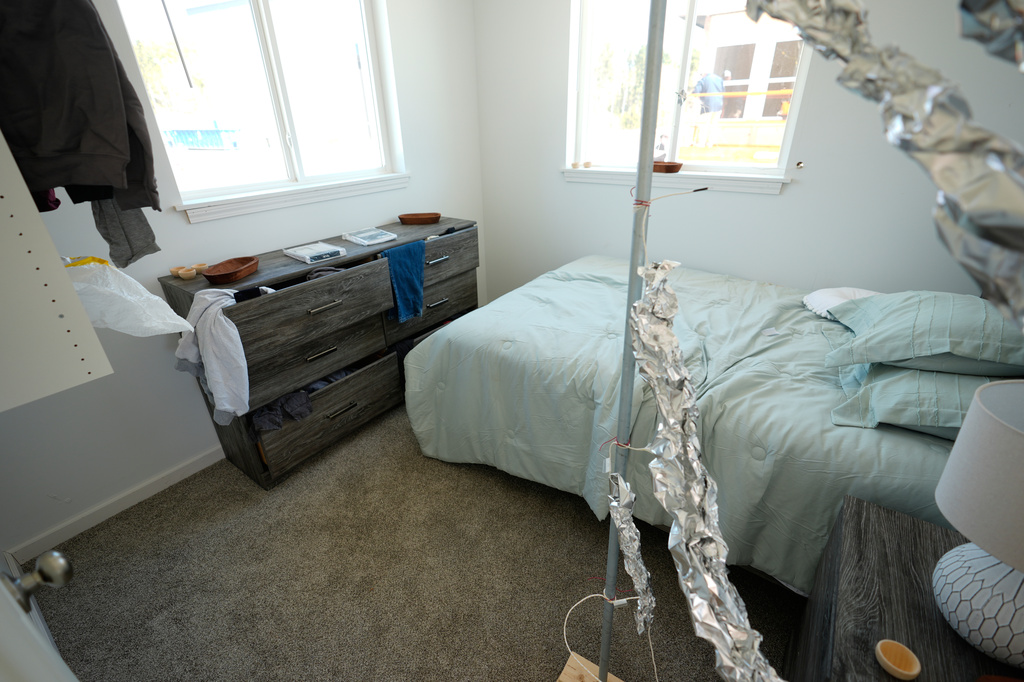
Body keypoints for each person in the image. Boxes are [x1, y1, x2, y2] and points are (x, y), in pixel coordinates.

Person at [693, 71, 724, 146]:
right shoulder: (719, 79)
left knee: (703, 124)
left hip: (707, 104)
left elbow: (696, 91)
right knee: (713, 124)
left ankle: (700, 143)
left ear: (704, 74)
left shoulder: (703, 80)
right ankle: (709, 143)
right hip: (718, 105)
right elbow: (723, 91)